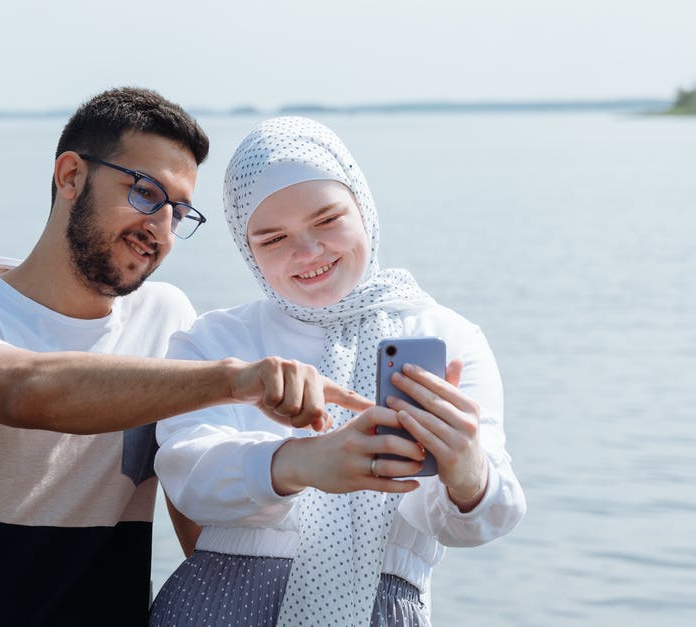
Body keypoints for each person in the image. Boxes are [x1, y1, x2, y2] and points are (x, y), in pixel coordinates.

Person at [0, 90, 376, 626]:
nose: (162, 230)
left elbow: (202, 532)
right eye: (146, 193)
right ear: (70, 176)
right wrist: (235, 380)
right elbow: (21, 390)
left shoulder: (167, 318)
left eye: (179, 212)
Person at [150, 117, 526, 626]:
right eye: (273, 238)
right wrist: (299, 463)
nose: (308, 252)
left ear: (363, 208)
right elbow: (185, 475)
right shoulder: (215, 341)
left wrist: (467, 471)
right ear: (247, 249)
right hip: (218, 606)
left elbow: (483, 522)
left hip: (378, 606)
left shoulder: (447, 337)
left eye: (327, 220)